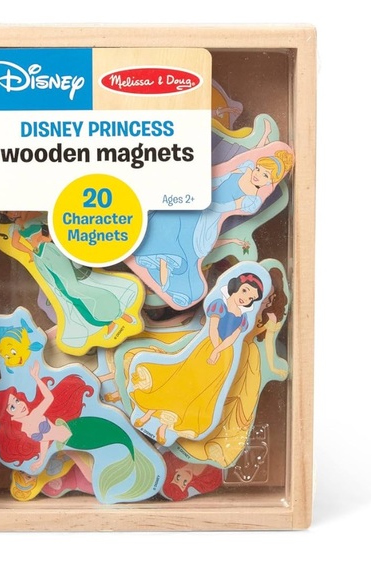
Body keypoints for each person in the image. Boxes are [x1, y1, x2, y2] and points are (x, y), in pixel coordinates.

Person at [128, 143, 292, 310]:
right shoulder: (243, 169)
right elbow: (216, 180)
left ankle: (169, 268)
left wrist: (199, 197)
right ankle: (156, 253)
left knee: (183, 232)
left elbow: (221, 207)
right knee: (168, 217)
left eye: (265, 175)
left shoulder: (251, 200)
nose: (257, 174)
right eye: (258, 169)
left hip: (207, 220)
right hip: (194, 199)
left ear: (270, 181)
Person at [0, 361, 159, 502]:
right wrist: (41, 459)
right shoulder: (25, 429)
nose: (19, 404)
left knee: (114, 438)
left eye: (17, 400)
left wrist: (36, 378)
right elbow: (44, 440)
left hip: (75, 431)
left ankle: (136, 472)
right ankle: (122, 481)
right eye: (12, 406)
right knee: (103, 455)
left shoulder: (34, 414)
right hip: (70, 441)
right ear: (8, 416)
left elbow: (49, 398)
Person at [129, 273, 265, 445]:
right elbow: (213, 328)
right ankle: (148, 414)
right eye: (245, 291)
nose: (246, 298)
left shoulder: (243, 318)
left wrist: (219, 351)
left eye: (251, 298)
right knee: (180, 381)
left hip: (225, 357)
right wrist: (215, 348)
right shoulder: (219, 305)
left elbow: (233, 338)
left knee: (199, 392)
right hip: (206, 348)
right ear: (235, 286)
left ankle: (164, 427)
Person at [176, 267, 289, 467]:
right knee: (208, 389)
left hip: (248, 358)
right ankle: (189, 425)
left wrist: (273, 367)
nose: (264, 301)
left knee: (240, 403)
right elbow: (211, 324)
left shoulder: (266, 318)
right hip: (223, 350)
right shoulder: (230, 307)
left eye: (266, 297)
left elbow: (268, 346)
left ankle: (220, 445)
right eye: (262, 296)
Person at [0, 211, 138, 344]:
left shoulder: (36, 214)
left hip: (52, 252)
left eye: (8, 210)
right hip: (40, 260)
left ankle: (119, 313)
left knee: (75, 288)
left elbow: (56, 227)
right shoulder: (17, 226)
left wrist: (47, 238)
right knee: (67, 295)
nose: (11, 213)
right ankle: (107, 324)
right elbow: (15, 243)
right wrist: (30, 252)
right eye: (6, 213)